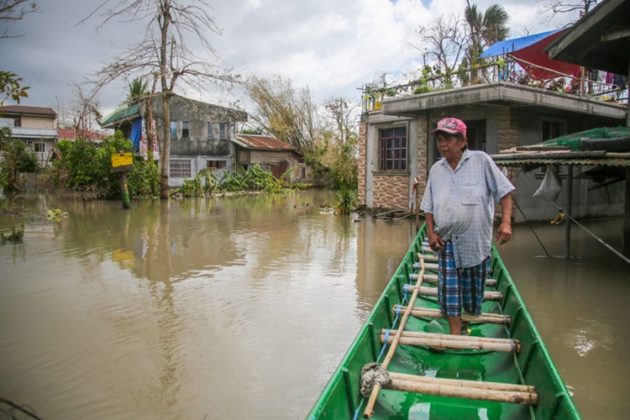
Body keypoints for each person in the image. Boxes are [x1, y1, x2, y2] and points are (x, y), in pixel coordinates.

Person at [420, 117, 514, 335]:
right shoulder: (436, 170)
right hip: (447, 241)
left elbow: (505, 192)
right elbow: (428, 206)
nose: (442, 143)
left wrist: (506, 223)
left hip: (476, 242)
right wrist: (431, 234)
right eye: (440, 140)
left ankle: (468, 317)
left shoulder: (481, 161)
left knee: (473, 296)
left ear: (462, 141)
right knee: (450, 287)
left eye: (448, 139)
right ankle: (455, 329)